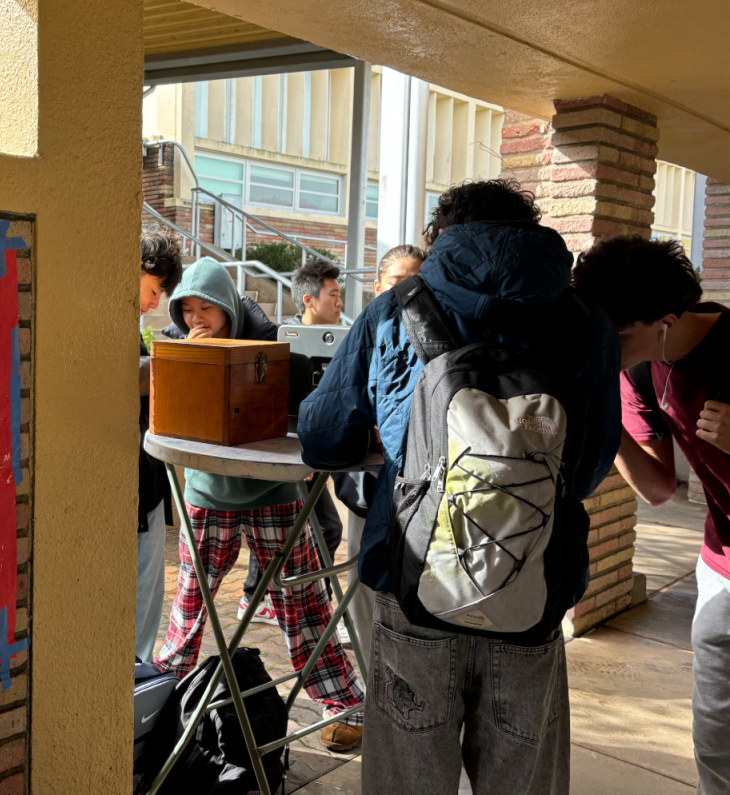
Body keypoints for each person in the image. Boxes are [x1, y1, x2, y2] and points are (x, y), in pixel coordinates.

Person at [299, 179, 621, 793]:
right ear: (529, 233)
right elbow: (585, 472)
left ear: (441, 238)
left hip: (414, 583)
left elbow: (324, 441)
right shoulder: (587, 323)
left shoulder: (395, 309)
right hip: (534, 585)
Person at [155, 257, 366, 752]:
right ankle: (163, 700)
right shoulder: (176, 344)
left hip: (274, 488)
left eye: (206, 308)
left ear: (228, 304)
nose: (195, 319)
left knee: (304, 603)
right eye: (186, 309)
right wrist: (192, 362)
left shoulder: (271, 339)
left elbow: (299, 403)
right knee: (191, 600)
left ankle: (343, 702)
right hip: (209, 491)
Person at [572, 236, 730, 795]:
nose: (604, 347)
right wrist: (604, 415)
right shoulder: (639, 370)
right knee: (716, 735)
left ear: (666, 321)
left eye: (617, 337)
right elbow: (659, 488)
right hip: (722, 564)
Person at [333, 243, 428, 668]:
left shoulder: (433, 338)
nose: (407, 292)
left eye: (417, 283)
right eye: (397, 282)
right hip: (368, 478)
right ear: (376, 287)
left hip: (416, 480)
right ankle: (371, 676)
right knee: (362, 572)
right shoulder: (364, 332)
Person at [238, 259, 346, 627]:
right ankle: (271, 599)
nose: (340, 303)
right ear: (309, 300)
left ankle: (263, 597)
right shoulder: (281, 344)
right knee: (317, 526)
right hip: (288, 451)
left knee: (299, 525)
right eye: (333, 295)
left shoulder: (342, 345)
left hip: (314, 451)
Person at [136, 226, 184, 663]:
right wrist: (180, 362)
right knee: (141, 597)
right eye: (154, 291)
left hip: (145, 485)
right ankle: (136, 684)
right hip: (138, 486)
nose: (155, 303)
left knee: (147, 594)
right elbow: (125, 376)